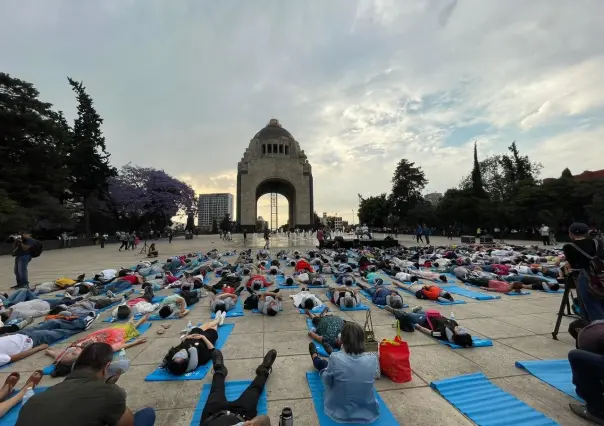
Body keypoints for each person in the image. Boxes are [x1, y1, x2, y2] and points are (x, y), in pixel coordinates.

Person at [16, 343, 156, 426]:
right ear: (107, 367)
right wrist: (111, 388)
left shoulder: (38, 398)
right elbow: (127, 424)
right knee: (147, 414)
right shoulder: (108, 392)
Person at [308, 322, 379, 423]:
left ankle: (314, 355)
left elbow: (327, 381)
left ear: (343, 340)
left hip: (339, 411)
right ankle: (318, 357)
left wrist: (325, 372)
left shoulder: (335, 358)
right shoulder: (372, 359)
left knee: (323, 364)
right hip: (367, 409)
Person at [45, 315, 149, 377]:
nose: (75, 349)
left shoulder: (61, 357)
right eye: (74, 353)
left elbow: (49, 351)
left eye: (71, 352)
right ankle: (136, 322)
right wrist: (136, 343)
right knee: (123, 332)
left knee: (116, 328)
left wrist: (51, 350)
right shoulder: (90, 354)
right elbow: (114, 348)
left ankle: (131, 322)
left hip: (96, 336)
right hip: (107, 339)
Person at [198, 349, 276, 425]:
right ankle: (264, 370)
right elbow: (265, 419)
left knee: (216, 389)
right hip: (241, 415)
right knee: (254, 390)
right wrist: (254, 422)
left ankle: (219, 370)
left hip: (213, 415)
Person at [0, 313, 98, 367]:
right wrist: (38, 348)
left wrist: (7, 335)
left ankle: (80, 323)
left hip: (20, 334)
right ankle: (83, 324)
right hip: (30, 342)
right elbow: (13, 358)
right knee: (57, 333)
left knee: (52, 322)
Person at [563, 222, 604, 322]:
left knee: (592, 305)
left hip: (586, 276)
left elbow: (573, 264)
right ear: (587, 232)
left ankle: (598, 332)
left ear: (570, 233)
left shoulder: (569, 246)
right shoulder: (597, 242)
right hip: (601, 274)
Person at [384, 306, 473, 347]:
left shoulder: (442, 334)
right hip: (432, 316)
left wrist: (419, 327)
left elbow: (429, 332)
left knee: (408, 315)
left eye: (460, 330)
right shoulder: (455, 326)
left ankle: (394, 311)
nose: (461, 328)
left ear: (457, 335)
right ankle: (418, 311)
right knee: (419, 312)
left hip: (424, 320)